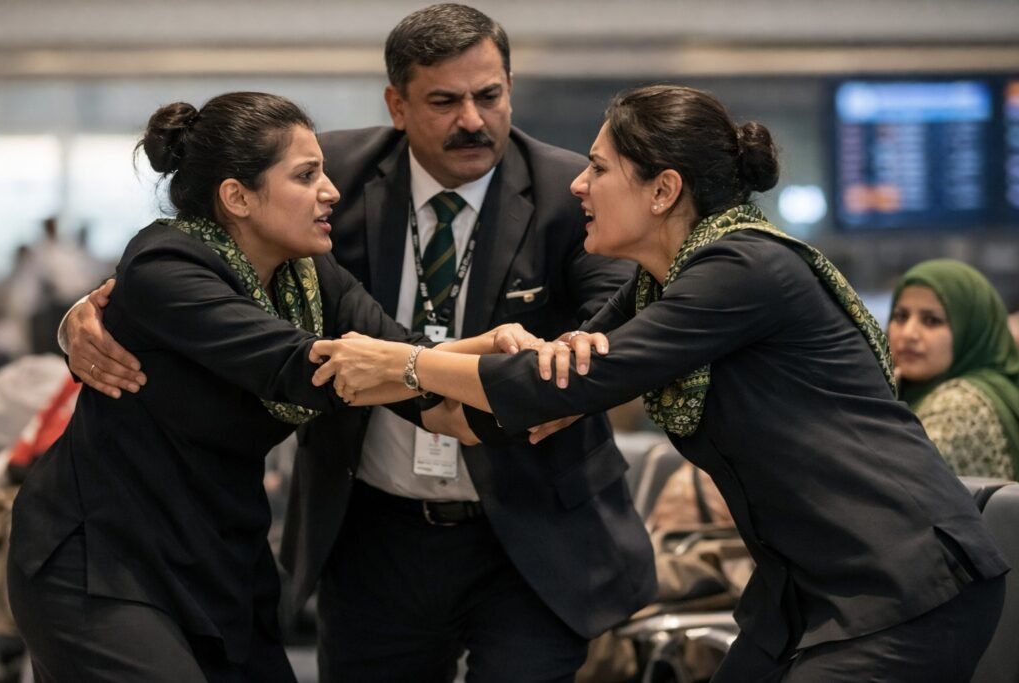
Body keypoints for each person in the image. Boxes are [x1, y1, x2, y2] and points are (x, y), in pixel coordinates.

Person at [315, 84, 1010, 682]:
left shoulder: (741, 269)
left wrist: (401, 361)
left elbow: (553, 388)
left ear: (664, 189)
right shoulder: (656, 285)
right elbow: (518, 404)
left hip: (902, 583)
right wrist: (400, 374)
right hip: (803, 590)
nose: (577, 186)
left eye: (597, 167)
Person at [56, 5, 656, 682]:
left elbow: (619, 322)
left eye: (490, 95)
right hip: (366, 529)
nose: (473, 119)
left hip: (529, 524)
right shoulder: (319, 175)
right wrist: (87, 309)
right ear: (396, 104)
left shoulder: (568, 191)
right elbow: (193, 251)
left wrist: (524, 365)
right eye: (444, 100)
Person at [7, 91, 518, 683]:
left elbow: (412, 365)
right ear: (237, 196)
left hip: (216, 558)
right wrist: (484, 361)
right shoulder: (166, 267)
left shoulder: (311, 276)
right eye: (307, 176)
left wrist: (517, 356)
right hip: (102, 561)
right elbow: (310, 369)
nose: (331, 191)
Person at [888, 258, 1019, 479]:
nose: (909, 333)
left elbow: (885, 480)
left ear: (972, 329)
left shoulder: (962, 406)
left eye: (931, 320)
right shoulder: (907, 390)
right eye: (901, 316)